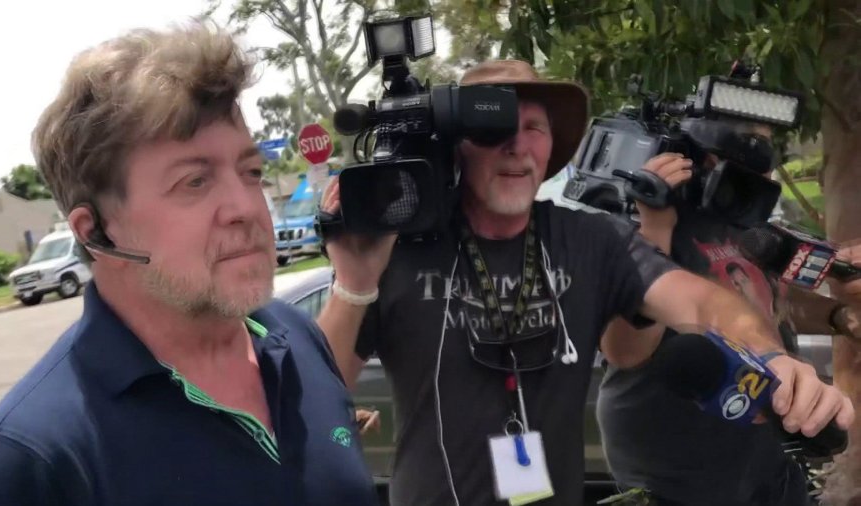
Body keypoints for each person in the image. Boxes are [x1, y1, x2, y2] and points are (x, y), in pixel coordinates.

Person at [315, 59, 855, 506]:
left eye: (535, 128)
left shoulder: (591, 240)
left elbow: (704, 304)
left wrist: (772, 358)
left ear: (552, 150)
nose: (516, 146)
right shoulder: (398, 247)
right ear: (457, 143)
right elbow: (319, 389)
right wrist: (353, 282)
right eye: (493, 126)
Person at [0, 22, 377, 506]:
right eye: (194, 183)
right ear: (95, 232)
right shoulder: (32, 457)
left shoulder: (295, 336)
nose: (245, 206)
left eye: (251, 172)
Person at [597, 120, 861, 505]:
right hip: (678, 475)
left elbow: (773, 302)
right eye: (745, 150)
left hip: (767, 464)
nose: (762, 165)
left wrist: (840, 316)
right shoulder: (648, 227)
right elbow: (623, 350)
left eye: (767, 150)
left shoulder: (751, 229)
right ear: (700, 157)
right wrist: (655, 227)